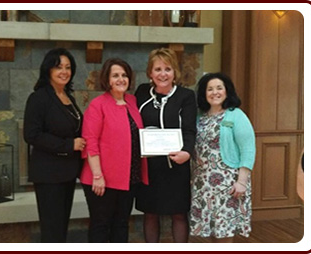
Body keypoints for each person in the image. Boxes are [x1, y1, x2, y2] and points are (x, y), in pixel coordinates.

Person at [80, 58, 148, 243]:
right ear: (107, 79)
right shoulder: (98, 104)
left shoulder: (132, 101)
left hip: (129, 177)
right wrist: (97, 175)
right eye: (115, 75)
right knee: (101, 225)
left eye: (124, 75)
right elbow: (90, 141)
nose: (121, 79)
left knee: (121, 224)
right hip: (102, 179)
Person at [23, 48, 86, 243]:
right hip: (48, 174)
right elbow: (31, 135)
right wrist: (69, 145)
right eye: (58, 67)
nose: (64, 71)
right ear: (48, 69)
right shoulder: (39, 98)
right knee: (52, 230)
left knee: (60, 227)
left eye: (68, 67)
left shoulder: (68, 97)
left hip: (67, 172)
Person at [135, 48, 197, 243]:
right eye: (158, 69)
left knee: (178, 214)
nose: (163, 74)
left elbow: (189, 129)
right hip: (149, 166)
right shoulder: (142, 93)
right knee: (150, 213)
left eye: (168, 69)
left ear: (174, 72)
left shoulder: (186, 96)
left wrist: (187, 152)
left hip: (176, 164)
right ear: (150, 73)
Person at [190, 72, 256, 243]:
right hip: (202, 184)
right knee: (212, 232)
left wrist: (242, 181)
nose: (215, 92)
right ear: (204, 94)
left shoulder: (236, 115)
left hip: (228, 184)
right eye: (210, 89)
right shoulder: (200, 117)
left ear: (227, 91)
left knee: (225, 233)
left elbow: (248, 149)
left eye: (219, 88)